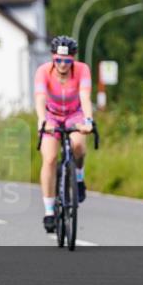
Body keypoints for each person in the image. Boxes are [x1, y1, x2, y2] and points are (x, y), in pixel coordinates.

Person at [34, 35, 94, 233]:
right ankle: (49, 211)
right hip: (51, 116)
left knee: (78, 146)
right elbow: (40, 98)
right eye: (58, 60)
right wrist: (42, 120)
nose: (62, 64)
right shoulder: (43, 71)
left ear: (73, 60)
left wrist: (88, 121)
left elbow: (85, 96)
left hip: (73, 114)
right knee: (50, 158)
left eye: (67, 61)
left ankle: (78, 176)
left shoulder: (82, 70)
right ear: (52, 58)